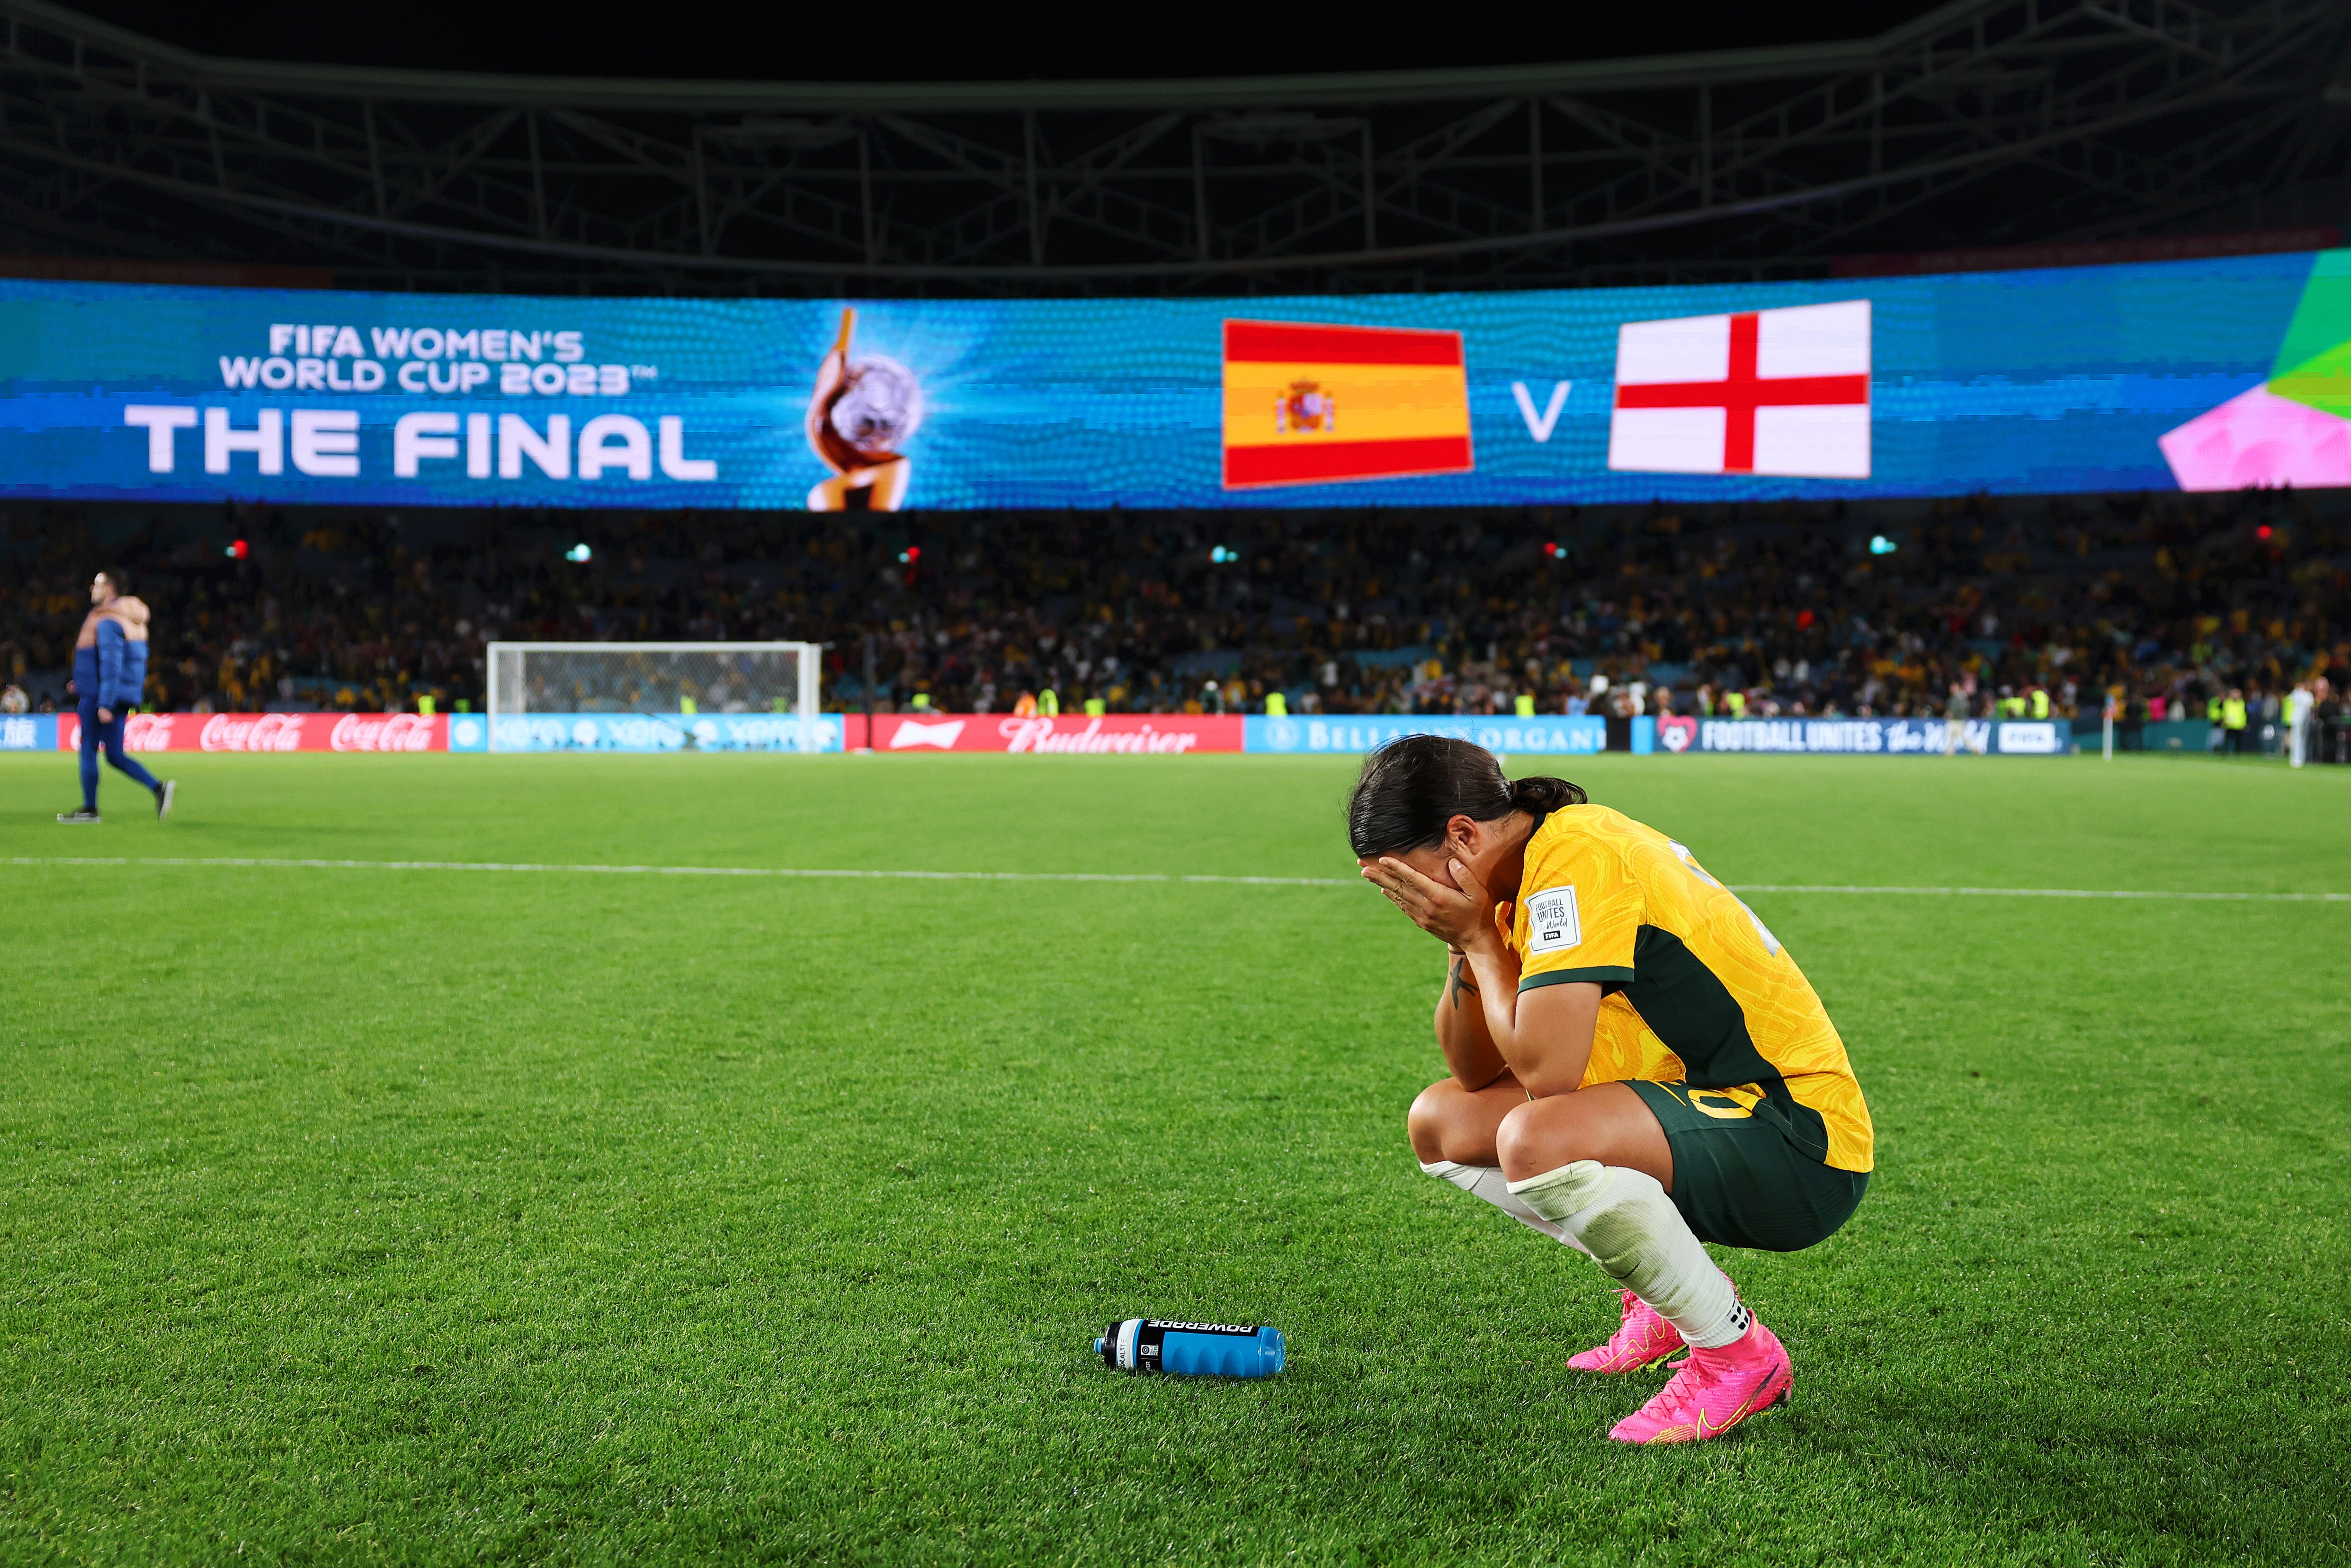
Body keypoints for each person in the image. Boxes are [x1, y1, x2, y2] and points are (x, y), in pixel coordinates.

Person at [1353, 737, 1870, 1445]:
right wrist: (1465, 941)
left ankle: (1735, 1354)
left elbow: (1546, 1074)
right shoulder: (1521, 872)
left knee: (1534, 1139)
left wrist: (1478, 939)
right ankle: (1667, 1294)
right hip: (1700, 1105)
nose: (1414, 901)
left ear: (1463, 836)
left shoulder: (1575, 859)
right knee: (1442, 1122)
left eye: (1413, 881)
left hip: (1797, 1133)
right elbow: (1474, 1072)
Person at [58, 570, 175, 824]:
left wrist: (104, 703)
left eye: (97, 584)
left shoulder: (108, 620)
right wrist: (83, 681)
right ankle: (158, 788)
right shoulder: (129, 618)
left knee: (88, 748)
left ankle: (90, 810)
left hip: (102, 697)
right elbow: (113, 662)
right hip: (116, 693)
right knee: (115, 755)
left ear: (110, 588)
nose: (92, 589)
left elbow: (111, 664)